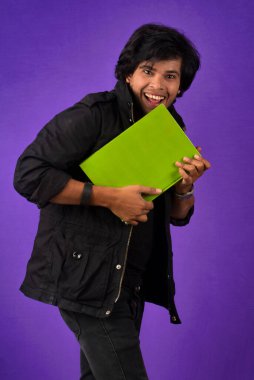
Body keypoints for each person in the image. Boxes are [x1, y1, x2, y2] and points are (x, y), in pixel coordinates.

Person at [14, 23, 211, 380]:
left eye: (170, 76)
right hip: (86, 281)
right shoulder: (94, 114)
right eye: (148, 71)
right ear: (128, 73)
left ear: (180, 86)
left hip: (127, 284)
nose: (157, 85)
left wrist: (184, 188)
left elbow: (176, 217)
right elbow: (28, 174)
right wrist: (109, 198)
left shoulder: (170, 130)